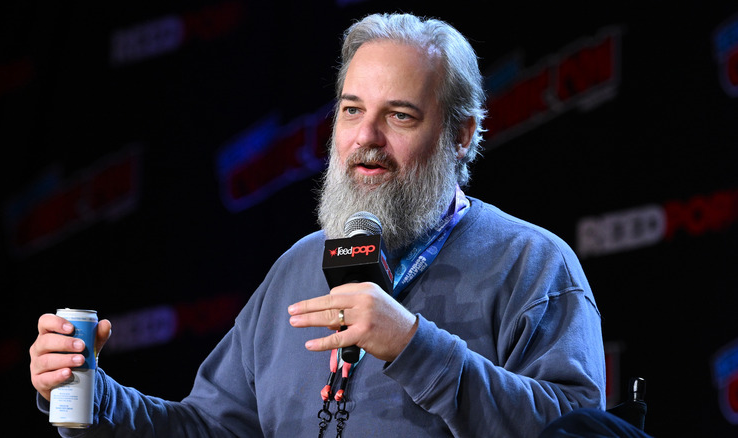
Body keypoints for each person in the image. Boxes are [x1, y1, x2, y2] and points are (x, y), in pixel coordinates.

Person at [30, 13, 607, 437]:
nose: (366, 138)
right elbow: (208, 430)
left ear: (461, 134)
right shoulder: (297, 268)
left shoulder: (534, 265)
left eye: (399, 116)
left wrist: (413, 345)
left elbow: (580, 431)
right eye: (352, 110)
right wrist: (91, 397)